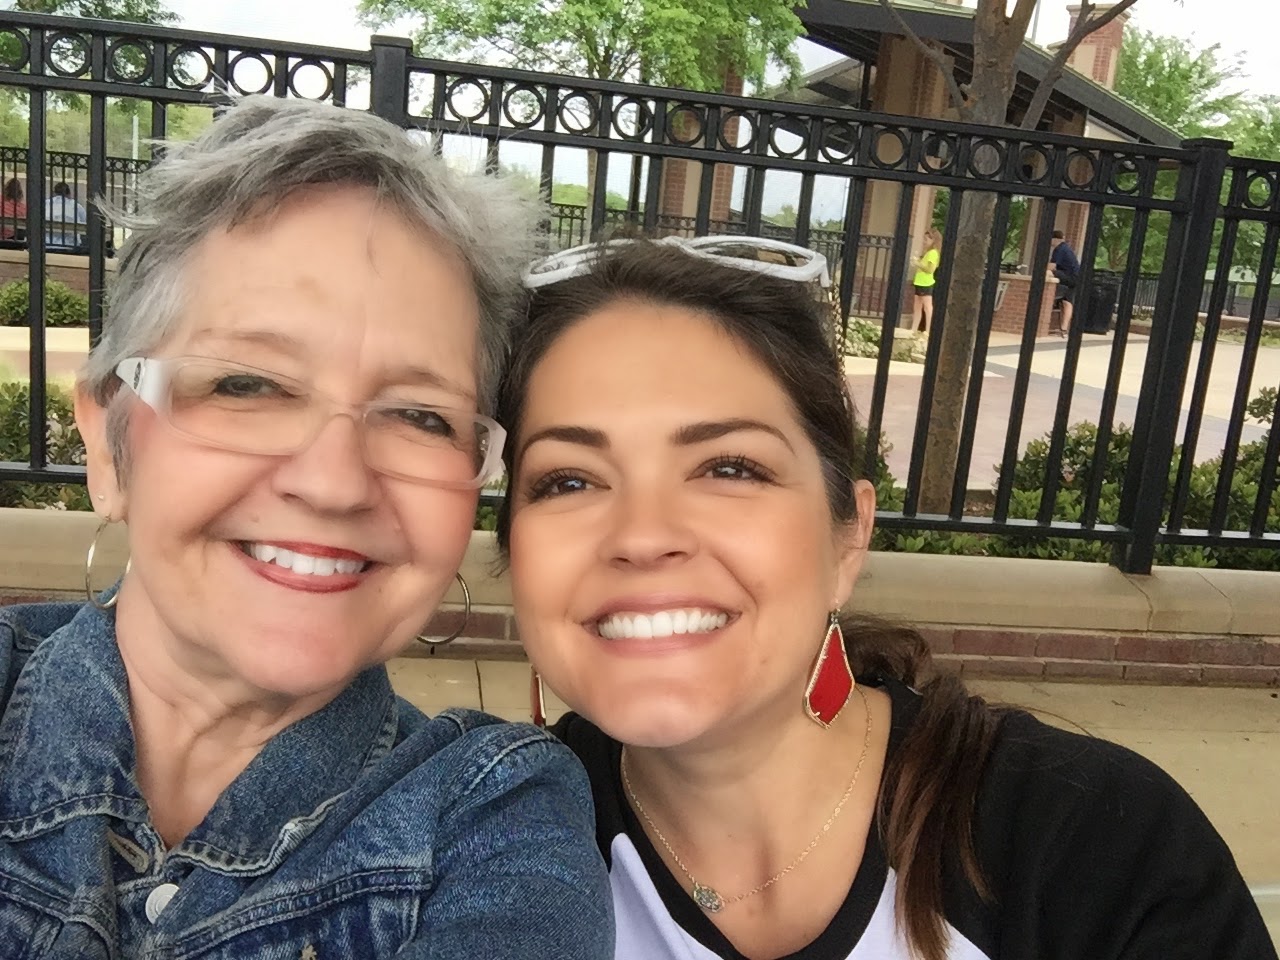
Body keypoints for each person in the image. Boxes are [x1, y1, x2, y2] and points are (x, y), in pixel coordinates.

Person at [494, 239, 1275, 960]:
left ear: (849, 536)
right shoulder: (478, 848)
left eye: (729, 468)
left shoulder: (1097, 846)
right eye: (568, 481)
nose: (642, 535)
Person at [0, 96, 612, 958]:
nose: (332, 483)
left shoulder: (496, 819)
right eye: (247, 385)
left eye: (420, 415)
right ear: (109, 444)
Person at [1049, 228, 1080, 336]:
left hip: (1068, 277)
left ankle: (1047, 295)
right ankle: (1064, 329)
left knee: (1048, 272)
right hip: (1075, 278)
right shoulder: (1067, 248)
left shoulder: (1059, 249)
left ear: (1055, 239)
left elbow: (1052, 266)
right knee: (1067, 302)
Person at [911, 227, 941, 333]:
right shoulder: (927, 253)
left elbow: (930, 270)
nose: (924, 242)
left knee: (927, 307)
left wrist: (918, 263)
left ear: (933, 241)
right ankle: (914, 329)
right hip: (919, 282)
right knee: (917, 306)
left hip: (926, 283)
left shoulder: (933, 253)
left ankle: (928, 330)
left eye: (926, 239)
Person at [45, 179, 89, 250]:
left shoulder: (46, 204)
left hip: (47, 245)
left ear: (54, 193)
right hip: (70, 246)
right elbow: (85, 223)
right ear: (69, 194)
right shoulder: (76, 206)